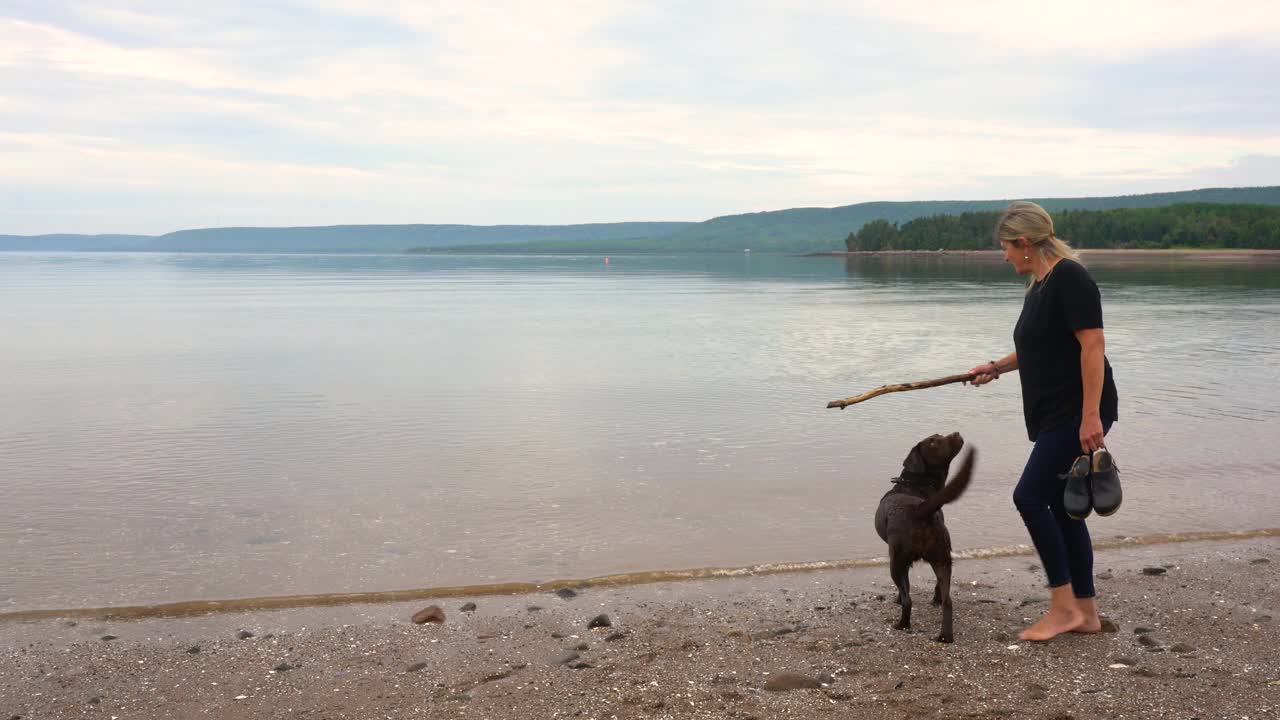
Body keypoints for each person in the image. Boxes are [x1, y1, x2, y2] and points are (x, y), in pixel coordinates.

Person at [965, 200, 1119, 642]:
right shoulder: (1040, 284)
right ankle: (1085, 613)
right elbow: (1041, 347)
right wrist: (996, 366)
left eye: (1006, 248)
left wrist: (1090, 416)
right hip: (1056, 411)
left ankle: (1062, 605)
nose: (1005, 256)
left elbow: (1093, 345)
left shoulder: (1070, 277)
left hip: (1077, 410)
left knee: (1030, 497)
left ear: (1026, 243)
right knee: (1061, 507)